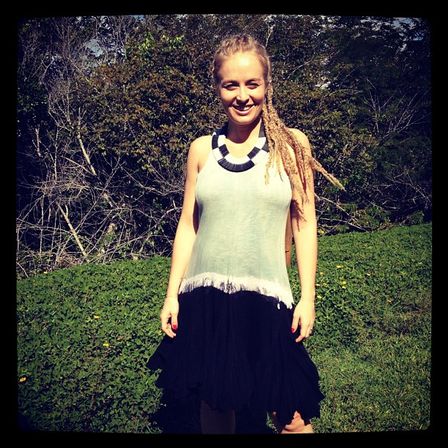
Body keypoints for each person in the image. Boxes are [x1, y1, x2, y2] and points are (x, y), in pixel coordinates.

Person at [147, 33, 343, 434]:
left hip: (267, 300)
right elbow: (188, 225)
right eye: (230, 85)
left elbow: (305, 224)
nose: (242, 96)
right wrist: (171, 295)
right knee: (216, 406)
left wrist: (308, 297)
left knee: (292, 419)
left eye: (252, 84)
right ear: (217, 87)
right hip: (205, 300)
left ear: (267, 85)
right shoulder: (201, 150)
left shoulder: (291, 146)